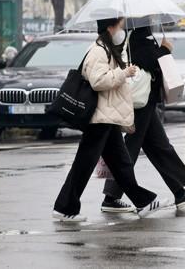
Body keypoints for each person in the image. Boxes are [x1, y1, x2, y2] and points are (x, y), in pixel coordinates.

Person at [53, 18, 166, 222]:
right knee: (84, 165)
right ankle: (65, 208)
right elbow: (98, 82)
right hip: (99, 119)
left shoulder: (108, 48)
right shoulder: (99, 50)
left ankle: (144, 202)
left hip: (108, 116)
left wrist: (125, 120)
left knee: (121, 164)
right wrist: (123, 73)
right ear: (110, 28)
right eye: (120, 26)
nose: (122, 30)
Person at [100, 26, 185, 213]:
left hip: (146, 102)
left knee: (159, 147)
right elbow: (145, 62)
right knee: (132, 150)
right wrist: (164, 50)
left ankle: (179, 192)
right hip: (141, 103)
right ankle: (111, 198)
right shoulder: (137, 36)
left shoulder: (140, 35)